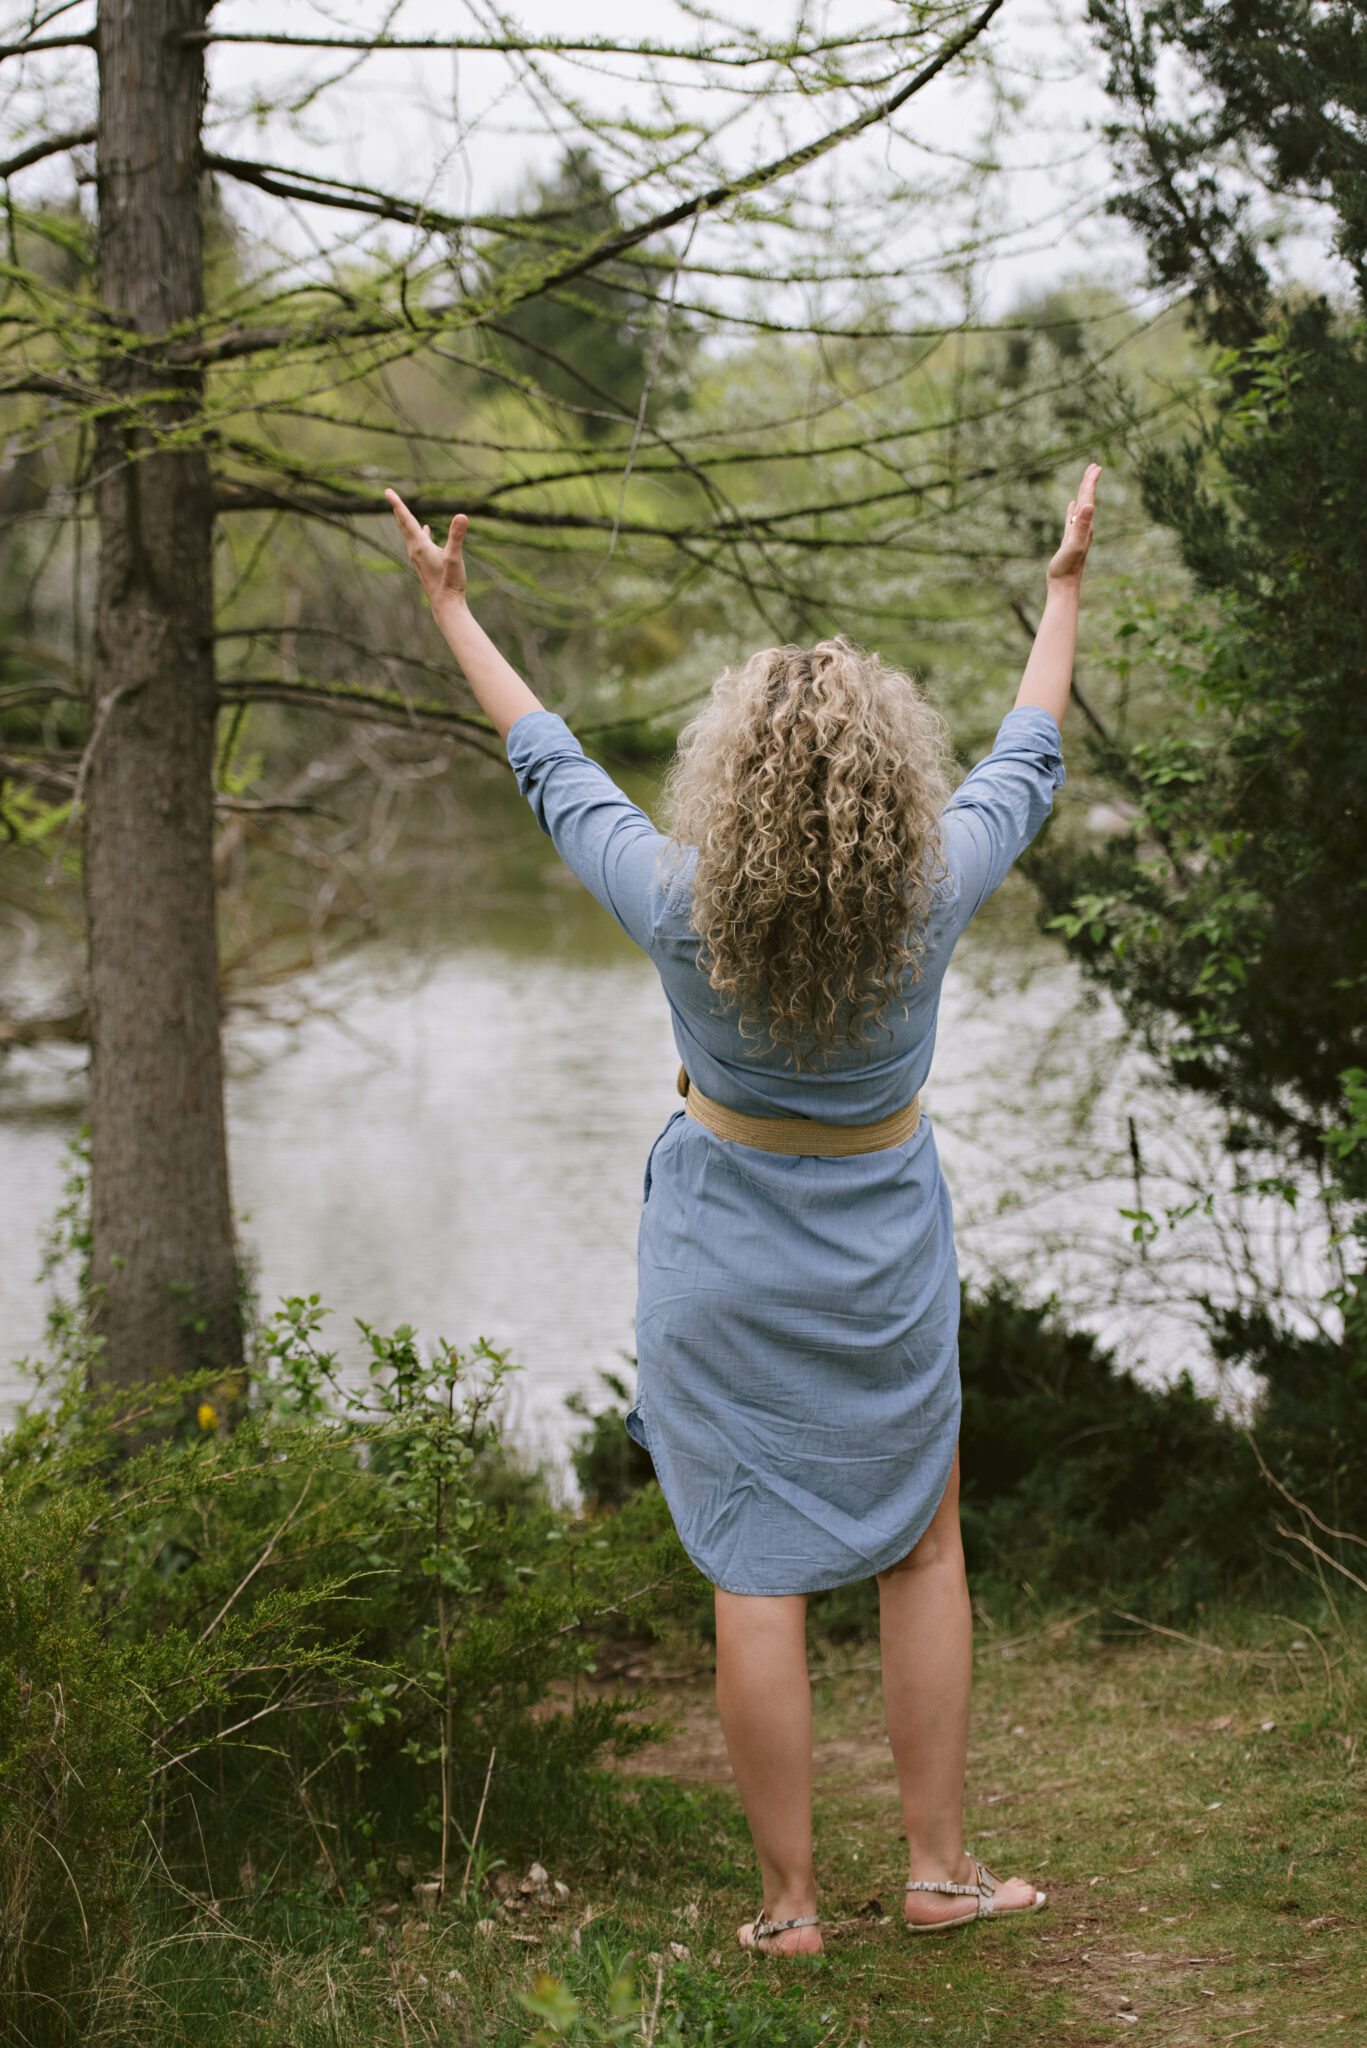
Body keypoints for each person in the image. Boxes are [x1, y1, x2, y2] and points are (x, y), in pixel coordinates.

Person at [385, 463, 1100, 1957]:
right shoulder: (933, 890)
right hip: (883, 1259)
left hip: (716, 1260)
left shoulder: (676, 901)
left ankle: (786, 1910)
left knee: (750, 1568)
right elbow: (1028, 761)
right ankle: (938, 1872)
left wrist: (454, 610)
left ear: (733, 779)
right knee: (922, 1546)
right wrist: (1062, 593)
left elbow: (551, 764)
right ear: (891, 774)